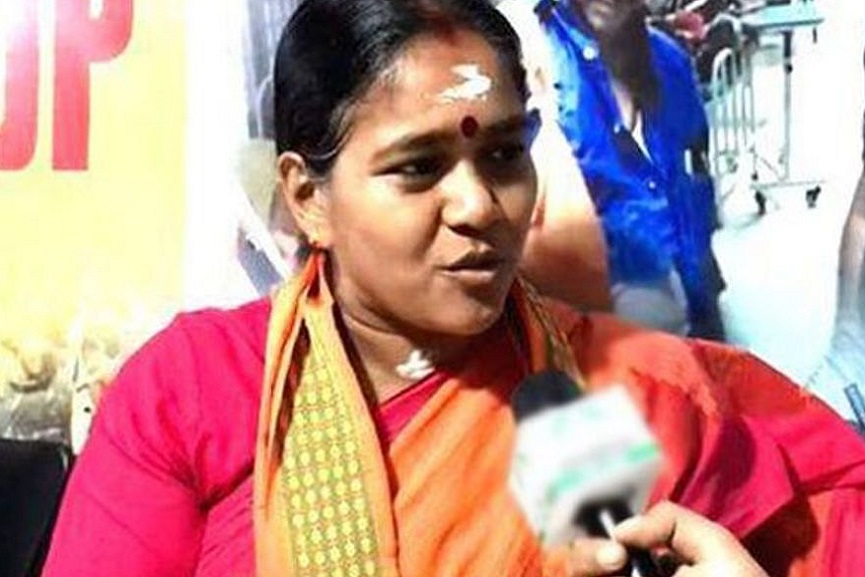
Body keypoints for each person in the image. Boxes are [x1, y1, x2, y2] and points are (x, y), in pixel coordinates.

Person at [43, 0, 865, 576]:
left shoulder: (618, 392)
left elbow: (832, 521)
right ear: (307, 197)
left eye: (503, 155)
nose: (478, 205)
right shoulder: (193, 391)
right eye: (417, 167)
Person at [499, 0, 726, 339]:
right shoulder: (527, 57)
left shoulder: (669, 61)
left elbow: (694, 182)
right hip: (592, 339)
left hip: (693, 319)